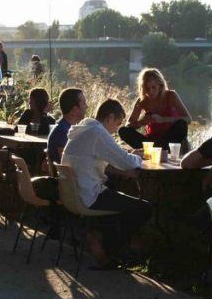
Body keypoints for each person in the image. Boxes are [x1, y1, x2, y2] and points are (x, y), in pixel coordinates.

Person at [62, 98, 151, 268]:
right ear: (109, 117)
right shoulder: (98, 133)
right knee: (144, 208)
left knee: (116, 195)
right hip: (89, 195)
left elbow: (112, 155)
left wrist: (128, 155)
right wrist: (139, 156)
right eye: (117, 123)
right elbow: (126, 161)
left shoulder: (84, 129)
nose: (117, 129)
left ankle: (101, 239)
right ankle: (108, 249)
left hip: (73, 194)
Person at [119, 68, 192, 150]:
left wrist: (163, 119)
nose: (150, 92)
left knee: (181, 124)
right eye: (147, 88)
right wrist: (141, 122)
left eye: (154, 87)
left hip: (170, 139)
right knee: (123, 130)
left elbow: (188, 119)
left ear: (160, 86)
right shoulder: (142, 101)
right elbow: (128, 125)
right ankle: (156, 149)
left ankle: (156, 149)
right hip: (152, 141)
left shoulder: (171, 95)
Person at [47, 87, 86, 165]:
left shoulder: (64, 128)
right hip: (65, 176)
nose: (86, 106)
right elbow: (66, 165)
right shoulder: (63, 132)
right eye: (84, 103)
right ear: (74, 109)